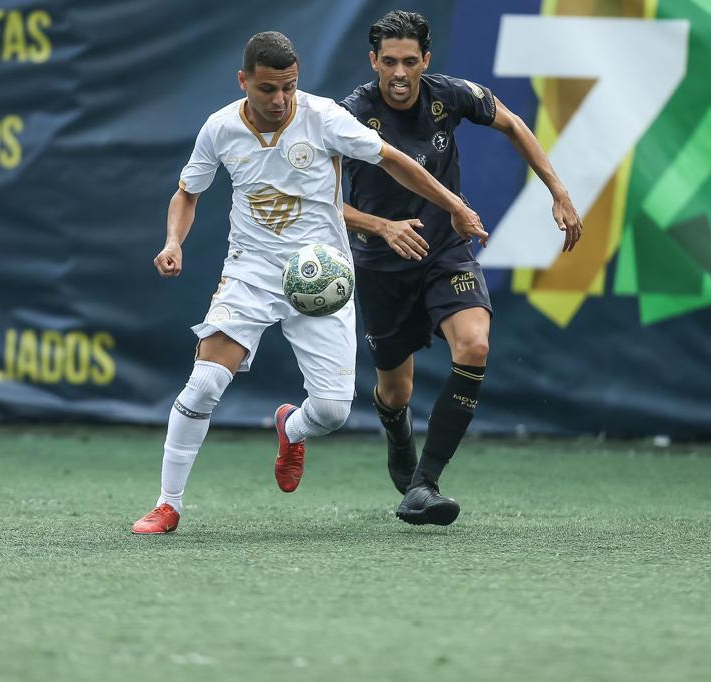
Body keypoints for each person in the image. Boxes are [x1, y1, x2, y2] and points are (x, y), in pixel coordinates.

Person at [132, 30, 487, 534]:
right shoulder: (218, 128)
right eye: (268, 90)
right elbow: (187, 192)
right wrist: (173, 243)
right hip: (251, 271)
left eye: (289, 87)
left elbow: (393, 159)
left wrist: (454, 205)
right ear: (243, 82)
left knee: (332, 411)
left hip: (323, 276)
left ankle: (290, 427)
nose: (280, 100)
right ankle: (168, 504)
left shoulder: (323, 117)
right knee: (206, 381)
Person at [340, 10, 583, 526]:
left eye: (410, 61)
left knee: (474, 344)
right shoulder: (350, 115)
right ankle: (398, 435)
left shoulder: (448, 96)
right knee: (395, 391)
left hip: (447, 252)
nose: (400, 73)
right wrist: (382, 226)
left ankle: (424, 484)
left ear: (426, 60)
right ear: (373, 62)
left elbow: (514, 124)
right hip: (382, 263)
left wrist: (558, 191)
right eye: (389, 62)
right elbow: (319, 202)